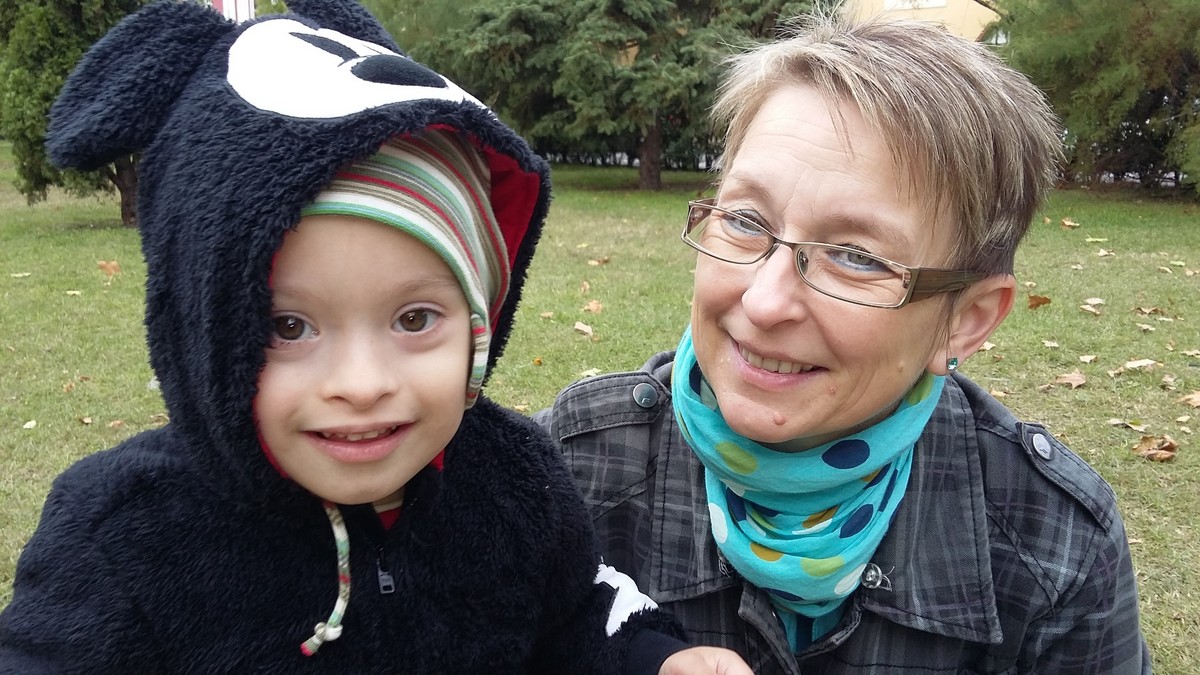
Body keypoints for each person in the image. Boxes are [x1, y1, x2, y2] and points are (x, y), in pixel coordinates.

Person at [0, 2, 755, 674]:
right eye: (287, 326)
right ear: (202, 327)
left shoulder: (512, 483)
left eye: (414, 318)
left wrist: (653, 656)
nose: (362, 383)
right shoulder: (121, 542)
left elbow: (579, 607)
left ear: (478, 324)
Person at [534, 11, 1151, 674]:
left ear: (965, 320)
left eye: (856, 257)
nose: (764, 301)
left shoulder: (1055, 553)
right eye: (744, 220)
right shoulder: (566, 471)